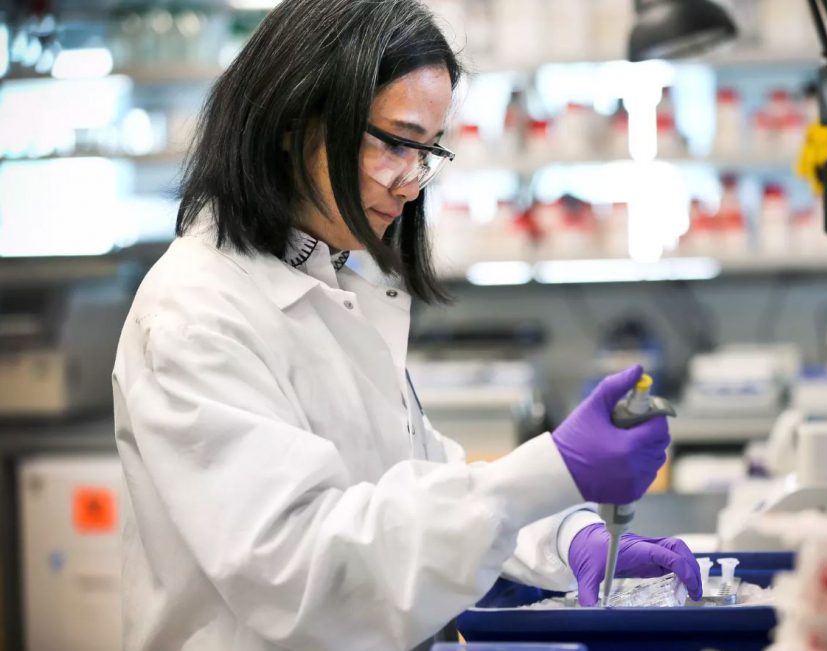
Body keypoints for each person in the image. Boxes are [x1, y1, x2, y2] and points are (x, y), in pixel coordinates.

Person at [111, 1, 701, 649]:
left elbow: (413, 480)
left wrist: (566, 535)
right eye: (394, 141)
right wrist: (552, 468)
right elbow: (310, 571)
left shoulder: (329, 282)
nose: (410, 184)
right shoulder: (196, 312)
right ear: (290, 118)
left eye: (426, 151)